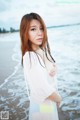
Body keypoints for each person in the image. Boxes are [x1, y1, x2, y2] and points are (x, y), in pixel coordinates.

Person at [20, 12, 62, 120]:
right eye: (33, 29)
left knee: (50, 114)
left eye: (41, 28)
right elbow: (42, 89)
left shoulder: (41, 50)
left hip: (47, 104)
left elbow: (49, 68)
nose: (40, 33)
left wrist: (53, 67)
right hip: (41, 105)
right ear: (25, 33)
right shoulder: (30, 57)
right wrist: (59, 99)